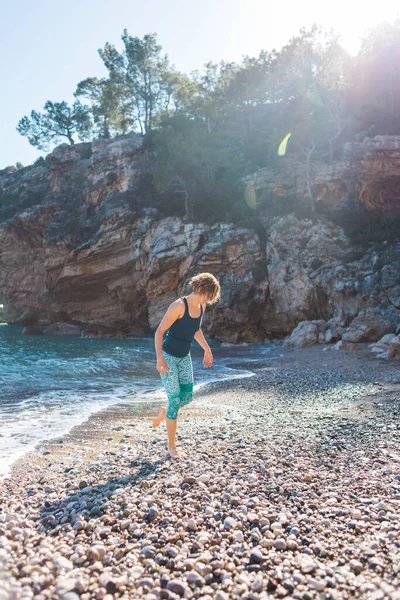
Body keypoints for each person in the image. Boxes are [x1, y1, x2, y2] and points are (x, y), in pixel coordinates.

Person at [152, 273, 221, 459]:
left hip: (184, 357)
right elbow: (159, 333)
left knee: (186, 397)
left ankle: (164, 412)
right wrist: (160, 359)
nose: (210, 298)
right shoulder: (178, 306)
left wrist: (207, 349)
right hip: (168, 357)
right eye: (210, 294)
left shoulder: (202, 306)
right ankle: (172, 447)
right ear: (204, 289)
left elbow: (195, 329)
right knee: (175, 400)